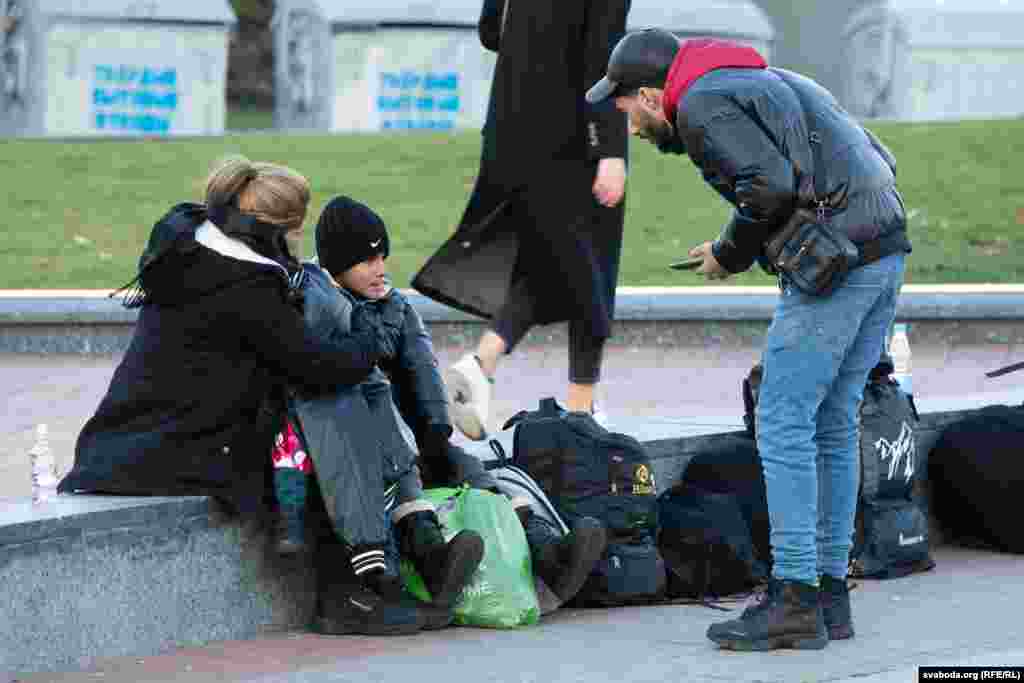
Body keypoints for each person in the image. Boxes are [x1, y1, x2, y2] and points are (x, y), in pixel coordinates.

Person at [587, 29, 911, 651]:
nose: (629, 127)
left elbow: (767, 188)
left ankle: (792, 597)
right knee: (834, 421)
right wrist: (733, 245)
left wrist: (730, 254)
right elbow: (875, 154)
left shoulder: (703, 104)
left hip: (836, 266)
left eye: (626, 110)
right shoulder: (772, 79)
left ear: (653, 97)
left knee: (784, 419)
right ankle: (826, 596)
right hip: (882, 249)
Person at [282, 196, 607, 616]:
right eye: (366, 261)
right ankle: (434, 563)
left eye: (382, 256)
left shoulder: (395, 306)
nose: (380, 269)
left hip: (413, 435)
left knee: (476, 470)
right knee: (404, 477)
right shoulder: (326, 309)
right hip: (373, 442)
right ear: (337, 267)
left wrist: (435, 428)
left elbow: (422, 370)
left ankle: (550, 553)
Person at [59, 155, 403, 518]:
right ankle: (375, 563)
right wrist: (369, 334)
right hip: (168, 458)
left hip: (117, 449)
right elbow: (318, 368)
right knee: (310, 464)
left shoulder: (190, 253)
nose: (300, 240)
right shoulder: (246, 287)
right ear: (275, 232)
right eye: (297, 229)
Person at [411, 0, 631, 440]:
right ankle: (581, 413)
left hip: (510, 130)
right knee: (592, 263)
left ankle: (481, 363)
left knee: (552, 263)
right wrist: (610, 149)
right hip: (571, 138)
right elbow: (603, 62)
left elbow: (492, 30)